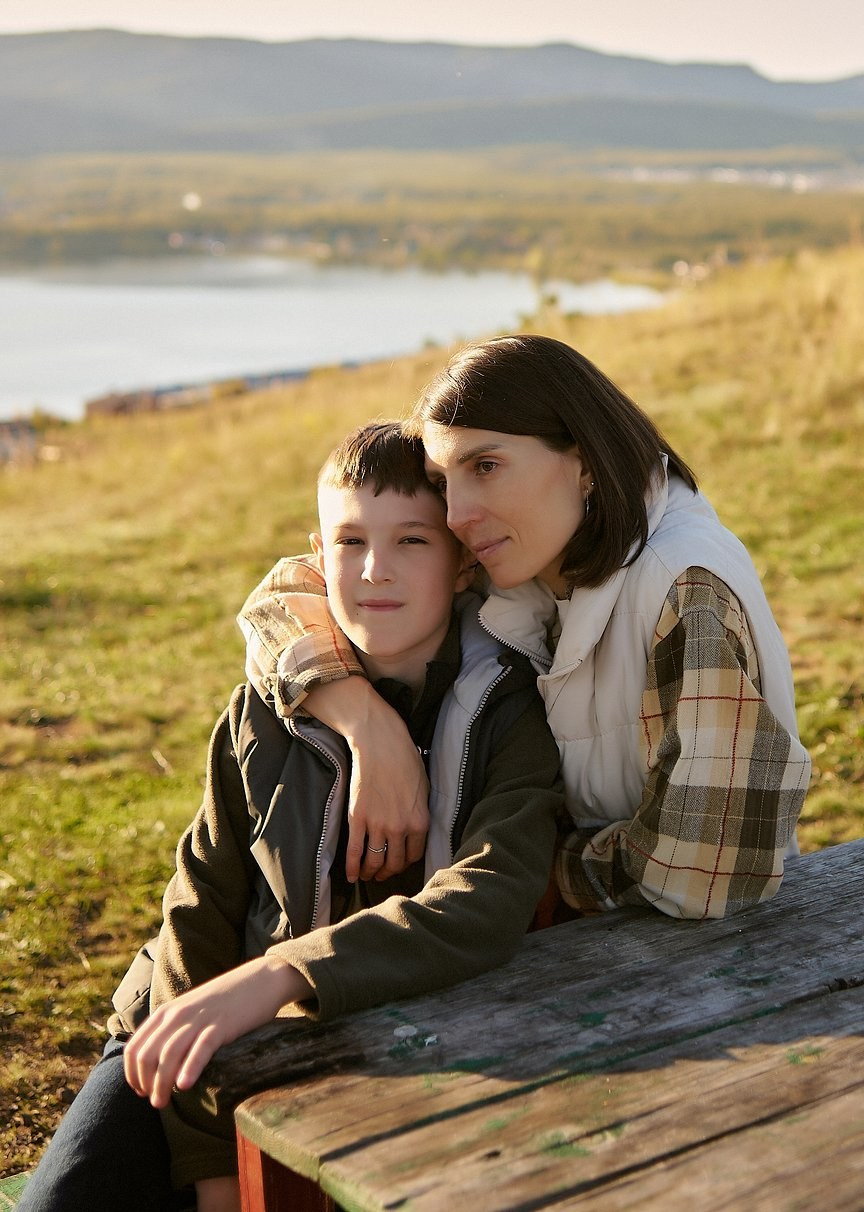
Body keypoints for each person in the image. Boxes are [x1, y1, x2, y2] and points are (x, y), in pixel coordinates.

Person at [21, 421, 562, 1212]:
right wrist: (210, 1158)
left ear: (460, 561)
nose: (375, 571)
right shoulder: (264, 711)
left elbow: (484, 901)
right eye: (350, 541)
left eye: (411, 540)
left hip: (381, 1036)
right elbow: (198, 910)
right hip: (187, 1027)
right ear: (317, 553)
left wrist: (282, 975)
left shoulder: (507, 713)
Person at [239, 335, 811, 924]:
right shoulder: (530, 551)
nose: (457, 514)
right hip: (574, 947)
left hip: (705, 964)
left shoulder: (684, 589)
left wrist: (528, 867)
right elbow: (285, 597)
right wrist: (365, 726)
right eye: (442, 483)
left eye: (485, 467)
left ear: (585, 461)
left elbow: (703, 869)